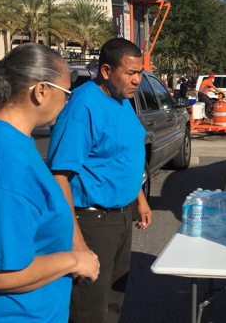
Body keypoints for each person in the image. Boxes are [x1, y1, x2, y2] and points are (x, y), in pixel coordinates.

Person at [0, 43, 99, 322]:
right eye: (66, 94)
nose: (68, 103)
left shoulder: (0, 132)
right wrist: (75, 260)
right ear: (41, 91)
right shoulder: (5, 164)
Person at [47, 38, 152, 323]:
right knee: (89, 307)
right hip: (91, 221)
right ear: (105, 70)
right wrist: (77, 241)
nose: (137, 80)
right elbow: (59, 176)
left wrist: (140, 199)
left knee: (113, 300)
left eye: (139, 72)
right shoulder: (83, 108)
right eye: (130, 73)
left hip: (121, 216)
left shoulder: (122, 101)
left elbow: (124, 156)